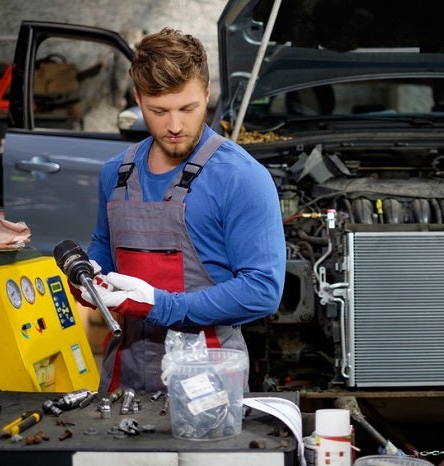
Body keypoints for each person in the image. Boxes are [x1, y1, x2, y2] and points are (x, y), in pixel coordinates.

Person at [77, 28, 286, 393]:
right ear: (138, 99)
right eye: (159, 111)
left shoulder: (240, 177)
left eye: (187, 108)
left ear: (207, 94)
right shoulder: (116, 173)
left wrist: (161, 305)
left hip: (209, 385)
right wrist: (89, 276)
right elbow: (103, 245)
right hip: (122, 379)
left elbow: (263, 290)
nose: (174, 126)